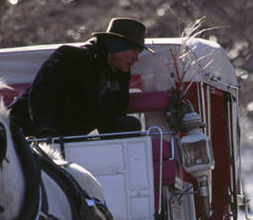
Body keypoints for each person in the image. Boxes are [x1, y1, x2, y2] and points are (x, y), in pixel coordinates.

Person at [10, 17, 152, 138]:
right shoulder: (71, 57)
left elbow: (112, 114)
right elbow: (41, 93)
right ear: (117, 46)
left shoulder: (120, 73)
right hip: (23, 133)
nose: (136, 58)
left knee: (129, 125)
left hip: (67, 140)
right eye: (134, 51)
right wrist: (46, 131)